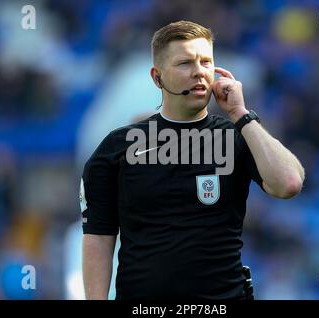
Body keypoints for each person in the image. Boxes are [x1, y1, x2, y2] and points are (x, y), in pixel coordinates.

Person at [81, 20, 305, 300]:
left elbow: (288, 183)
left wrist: (240, 114)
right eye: (185, 63)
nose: (199, 71)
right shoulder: (116, 148)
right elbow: (99, 236)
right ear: (157, 77)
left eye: (206, 62)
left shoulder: (236, 136)